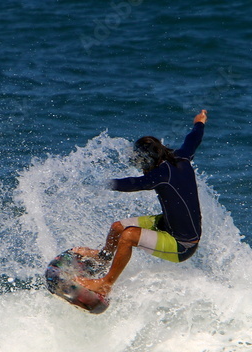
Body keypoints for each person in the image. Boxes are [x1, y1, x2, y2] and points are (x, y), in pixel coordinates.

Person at [75, 109, 208, 296]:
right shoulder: (182, 156)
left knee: (129, 236)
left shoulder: (160, 175)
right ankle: (103, 258)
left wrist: (103, 183)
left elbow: (134, 183)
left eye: (139, 162)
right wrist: (199, 123)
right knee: (118, 227)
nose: (139, 166)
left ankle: (105, 284)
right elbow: (193, 139)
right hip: (168, 224)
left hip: (182, 244)